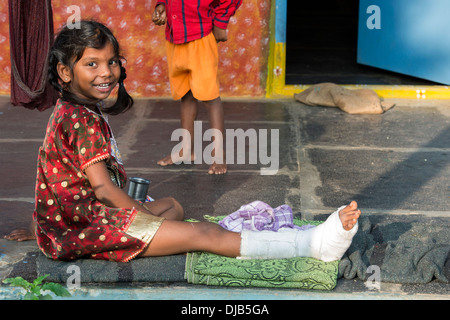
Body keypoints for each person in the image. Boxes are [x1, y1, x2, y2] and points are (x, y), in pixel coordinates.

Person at [5, 21, 361, 264]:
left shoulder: (71, 110)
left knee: (173, 204)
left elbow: (55, 177)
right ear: (65, 73)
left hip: (71, 223)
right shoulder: (82, 120)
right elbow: (102, 189)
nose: (106, 72)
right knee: (203, 233)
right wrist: (135, 213)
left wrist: (44, 225)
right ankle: (313, 245)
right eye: (91, 64)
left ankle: (140, 234)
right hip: (92, 226)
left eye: (111, 61)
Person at [152, 0, 242, 175]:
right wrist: (161, 6)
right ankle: (186, 150)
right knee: (186, 95)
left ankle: (218, 154)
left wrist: (220, 23)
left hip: (200, 39)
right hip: (174, 39)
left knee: (210, 97)